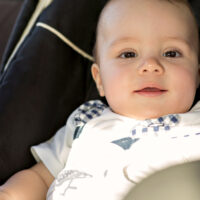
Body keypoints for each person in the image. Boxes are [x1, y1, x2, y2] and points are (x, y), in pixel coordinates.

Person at [0, 0, 200, 199]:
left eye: (171, 53)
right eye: (128, 54)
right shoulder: (86, 121)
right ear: (99, 79)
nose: (150, 65)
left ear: (197, 74)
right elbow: (41, 178)